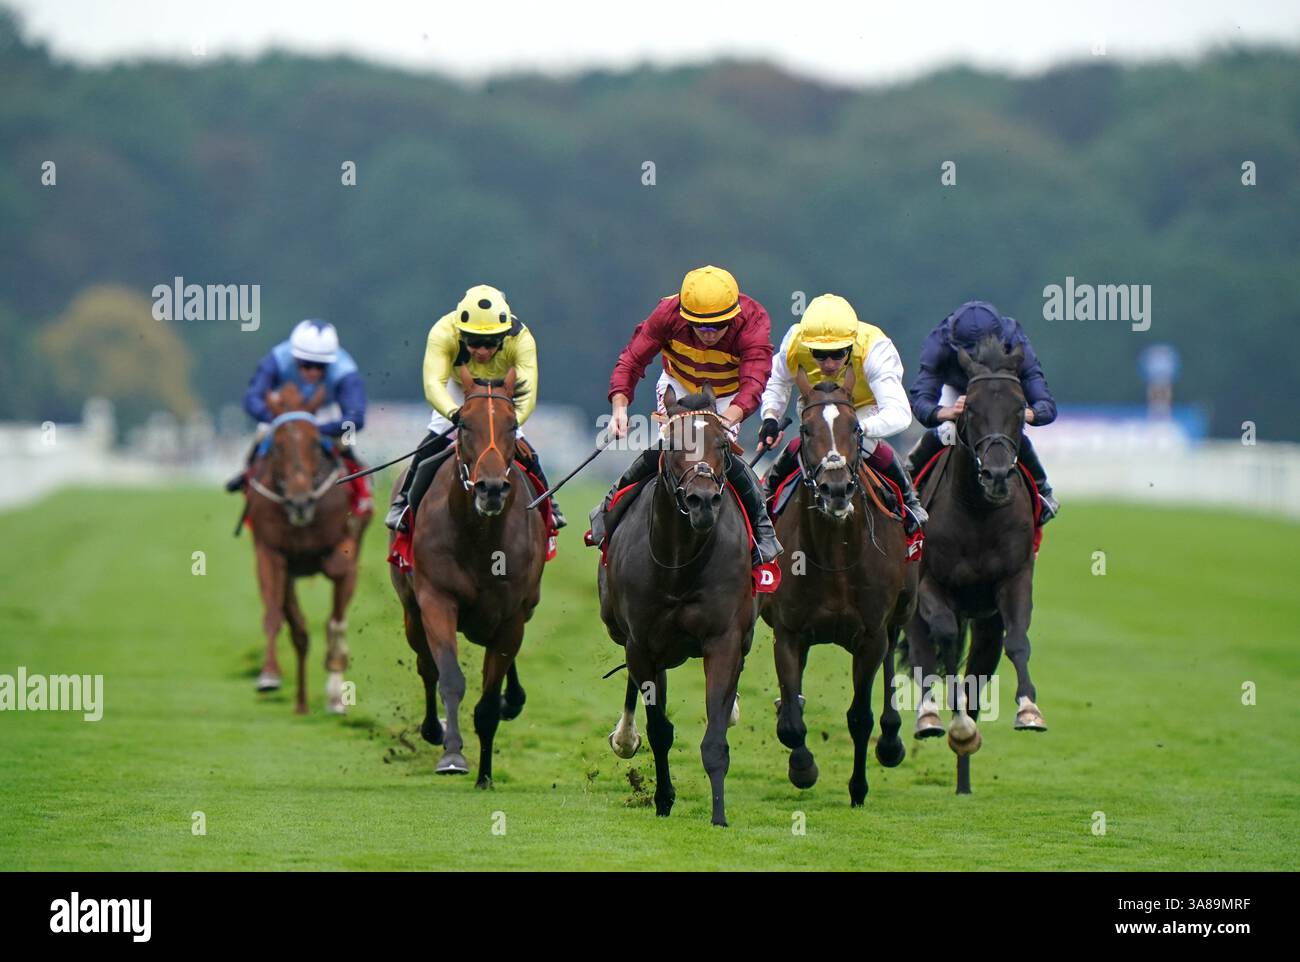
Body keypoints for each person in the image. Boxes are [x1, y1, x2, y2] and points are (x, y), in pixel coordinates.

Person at [588, 265, 779, 567]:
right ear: (685, 315)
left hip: (725, 396)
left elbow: (754, 382)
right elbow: (632, 360)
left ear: (734, 315)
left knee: (720, 452)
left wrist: (726, 419)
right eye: (700, 327)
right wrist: (619, 408)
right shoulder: (667, 314)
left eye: (719, 326)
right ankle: (608, 508)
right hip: (677, 386)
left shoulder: (753, 320)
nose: (709, 334)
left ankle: (762, 531)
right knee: (674, 446)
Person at [385, 284, 564, 531]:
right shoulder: (443, 331)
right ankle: (403, 502)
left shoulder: (522, 338)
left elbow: (527, 394)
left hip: (501, 393)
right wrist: (454, 414)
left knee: (525, 449)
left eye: (491, 343)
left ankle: (550, 505)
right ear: (460, 333)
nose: (482, 351)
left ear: (503, 336)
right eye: (473, 342)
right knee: (435, 437)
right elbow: (433, 384)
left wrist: (511, 423)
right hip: (460, 390)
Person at [758, 293, 926, 530]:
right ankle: (765, 499)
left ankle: (909, 502)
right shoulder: (795, 341)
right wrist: (770, 417)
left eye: (838, 354)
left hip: (863, 409)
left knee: (866, 444)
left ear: (851, 344)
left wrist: (859, 428)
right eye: (819, 354)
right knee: (805, 443)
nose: (828, 363)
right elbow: (777, 382)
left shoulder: (874, 348)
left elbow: (900, 414)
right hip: (817, 407)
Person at [906, 300, 1059, 522]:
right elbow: (921, 399)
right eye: (969, 355)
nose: (975, 361)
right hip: (957, 390)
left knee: (1007, 430)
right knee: (946, 433)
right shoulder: (938, 342)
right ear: (954, 344)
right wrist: (944, 412)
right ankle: (908, 484)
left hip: (998, 390)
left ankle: (1042, 489)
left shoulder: (1015, 339)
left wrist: (1027, 414)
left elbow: (1044, 401)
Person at [225, 318, 368, 497]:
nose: (313, 372)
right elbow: (252, 398)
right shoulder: (277, 358)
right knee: (262, 433)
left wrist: (317, 428)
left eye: (321, 366)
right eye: (306, 365)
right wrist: (279, 420)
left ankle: (361, 491)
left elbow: (356, 418)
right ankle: (248, 477)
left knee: (346, 439)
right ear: (295, 357)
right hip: (283, 412)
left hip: (325, 413)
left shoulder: (345, 370)